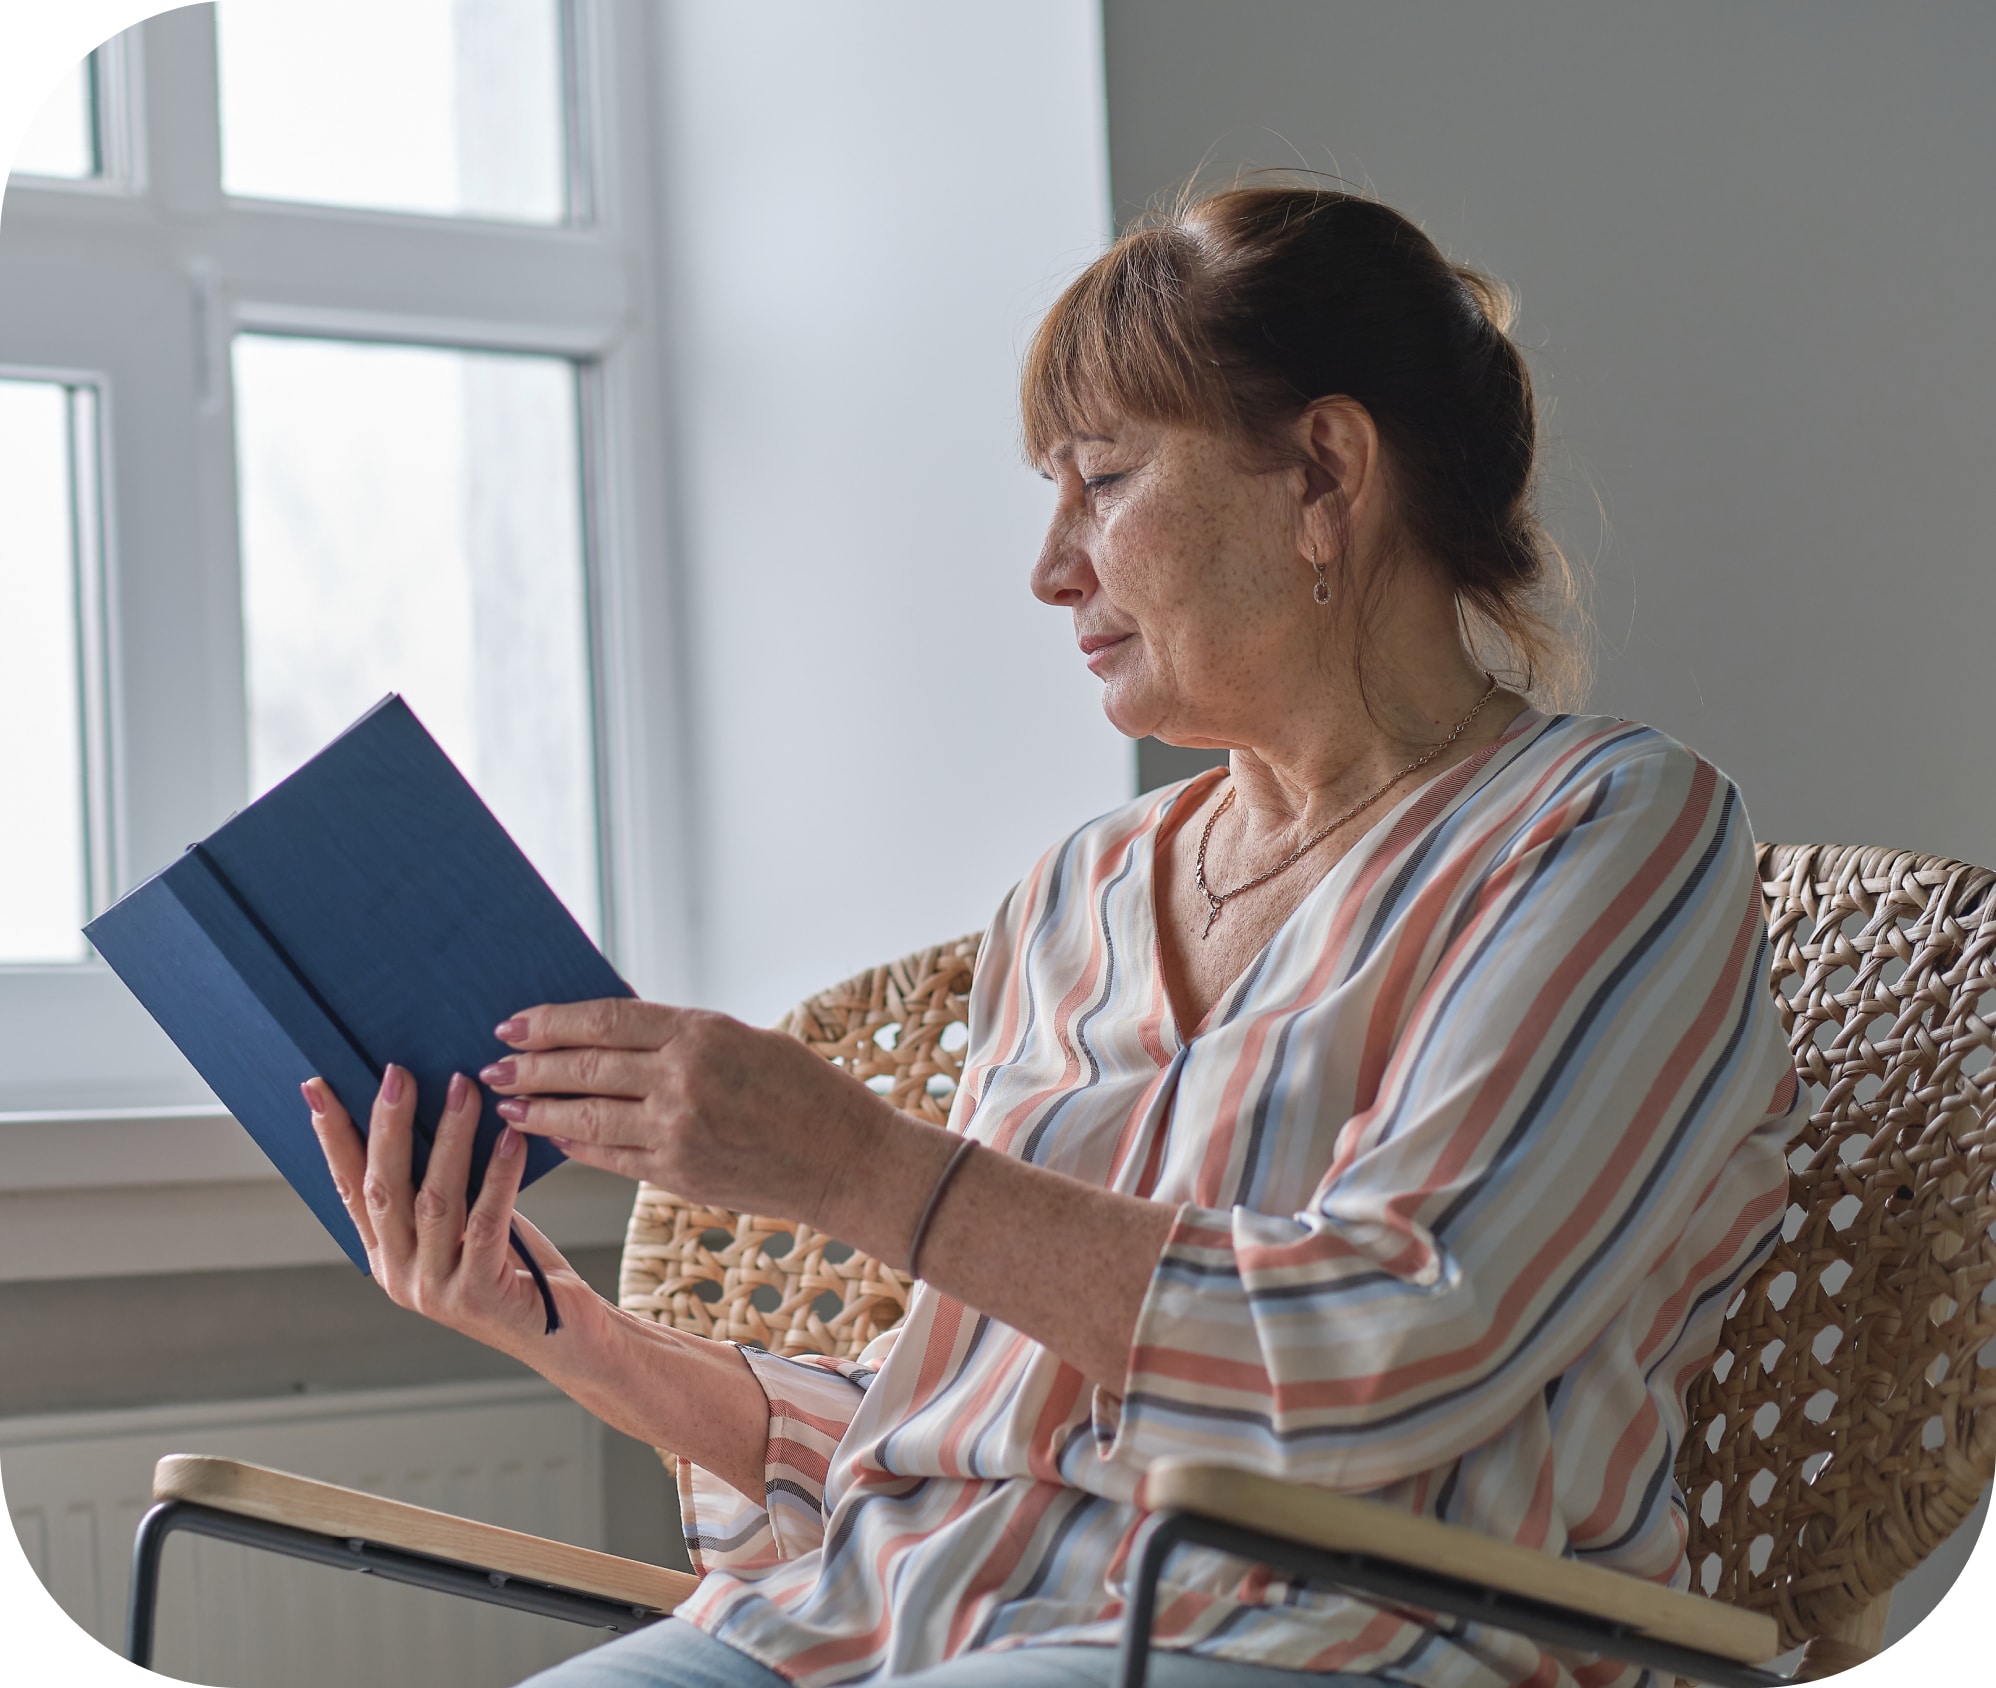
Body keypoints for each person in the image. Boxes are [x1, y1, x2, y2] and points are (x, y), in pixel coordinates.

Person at [306, 184, 1799, 1688]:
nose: (1050, 566)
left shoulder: (1607, 832)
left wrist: (861, 1170)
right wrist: (569, 1334)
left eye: (1101, 480)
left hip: (1319, 1641)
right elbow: (967, 1421)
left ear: (1323, 475)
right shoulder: (1076, 895)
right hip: (889, 1625)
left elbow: (1394, 1354)